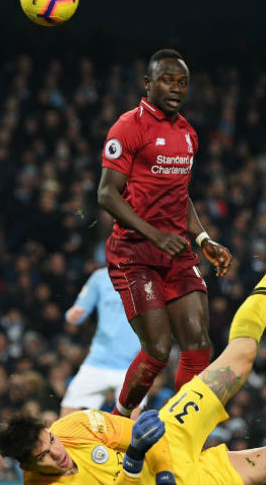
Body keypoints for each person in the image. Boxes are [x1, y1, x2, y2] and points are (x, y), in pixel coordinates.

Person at [0, 216, 266, 485]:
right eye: (44, 456)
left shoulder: (74, 427)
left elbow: (143, 434)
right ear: (28, 466)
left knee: (241, 356)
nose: (57, 454)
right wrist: (136, 464)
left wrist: (163, 481)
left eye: (50, 441)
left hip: (171, 440)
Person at [97, 48, 232, 417]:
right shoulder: (128, 127)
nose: (176, 88)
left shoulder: (188, 134)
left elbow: (179, 193)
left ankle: (180, 429)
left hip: (176, 253)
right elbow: (107, 194)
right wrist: (155, 235)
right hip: (134, 254)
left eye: (182, 82)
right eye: (167, 80)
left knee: (198, 343)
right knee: (157, 349)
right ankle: (119, 420)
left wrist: (202, 238)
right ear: (148, 83)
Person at [60, 267, 143, 417]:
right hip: (98, 360)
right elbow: (78, 309)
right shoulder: (100, 277)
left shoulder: (149, 275)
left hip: (134, 363)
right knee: (67, 416)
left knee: (130, 423)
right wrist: (71, 316)